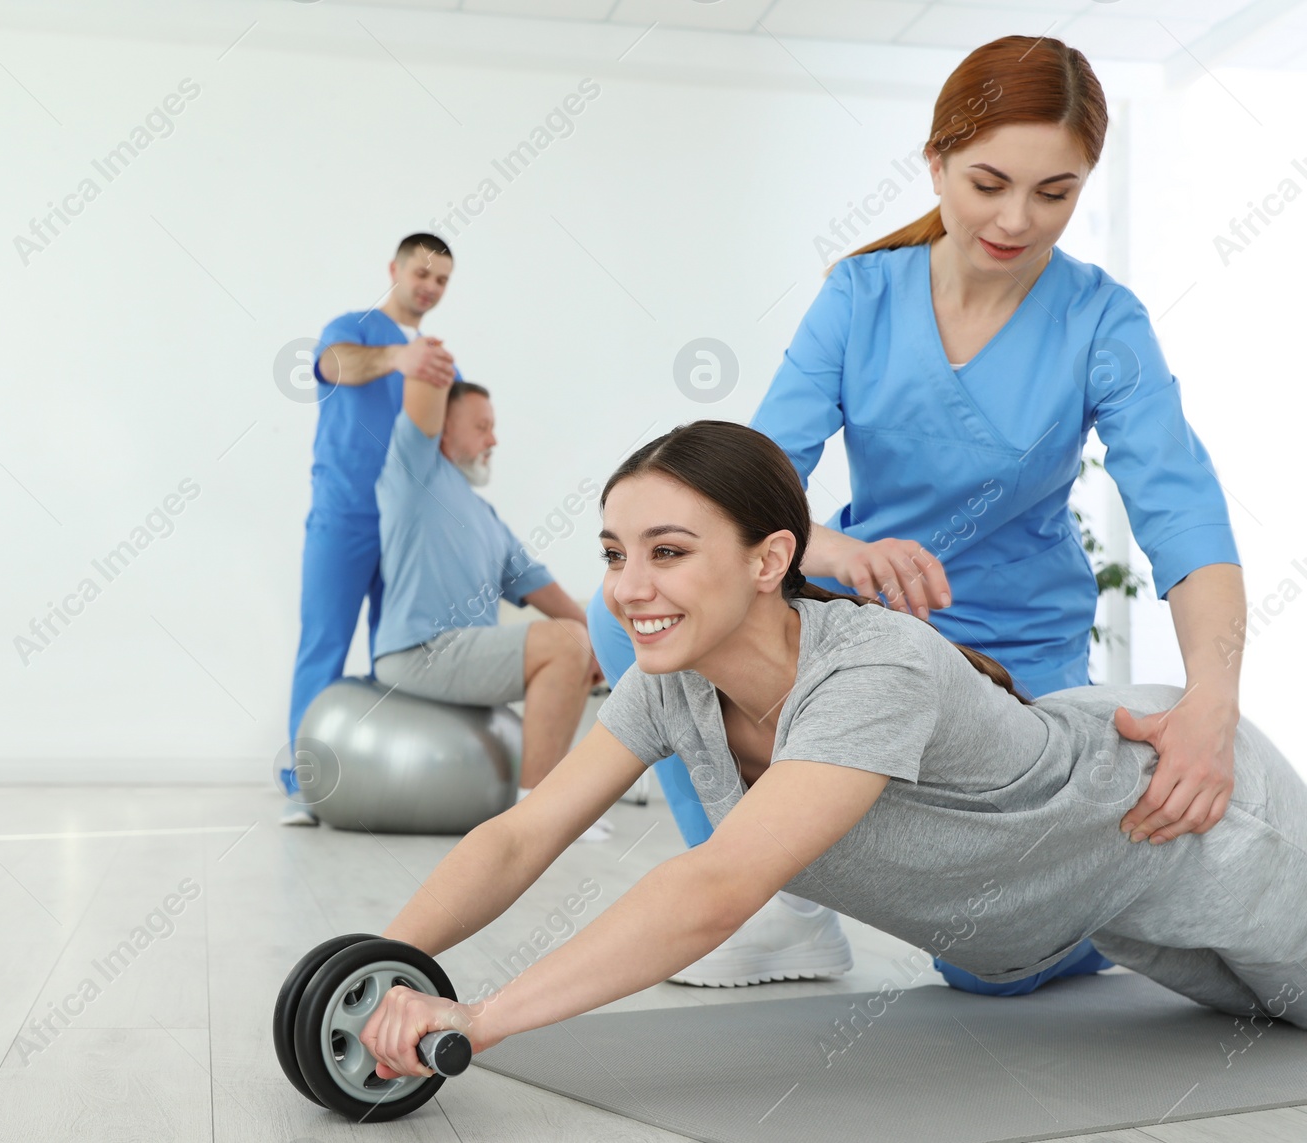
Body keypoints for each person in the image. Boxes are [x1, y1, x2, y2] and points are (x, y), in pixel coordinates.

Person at [585, 34, 1245, 993]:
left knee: (991, 971)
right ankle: (780, 900)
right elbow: (746, 491)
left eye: (1055, 193)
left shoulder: (1103, 320)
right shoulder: (860, 296)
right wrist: (839, 550)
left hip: (1016, 650)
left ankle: (1121, 896)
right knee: (633, 607)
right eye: (988, 182)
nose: (1017, 219)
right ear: (936, 161)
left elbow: (1184, 514)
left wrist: (1212, 702)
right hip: (860, 626)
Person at [358, 422, 1303, 1083]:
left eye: (669, 551)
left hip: (1188, 822)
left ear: (768, 561)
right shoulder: (671, 685)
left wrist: (479, 1022)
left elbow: (715, 888)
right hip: (1092, 905)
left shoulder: (870, 670)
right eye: (613, 553)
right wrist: (376, 962)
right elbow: (526, 835)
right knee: (1258, 1025)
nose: (627, 587)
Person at [371, 368, 612, 841]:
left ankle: (553, 802)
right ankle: (537, 815)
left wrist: (603, 645)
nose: (493, 438)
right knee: (566, 644)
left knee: (577, 638)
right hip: (418, 650)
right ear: (442, 430)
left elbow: (542, 588)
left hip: (461, 651)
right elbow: (420, 404)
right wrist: (424, 356)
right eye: (481, 426)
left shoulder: (485, 518)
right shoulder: (414, 473)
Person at [284, 233, 462, 825]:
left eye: (441, 280)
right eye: (421, 273)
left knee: (401, 653)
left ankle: (394, 774)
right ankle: (306, 786)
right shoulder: (353, 328)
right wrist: (397, 358)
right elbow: (333, 365)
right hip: (345, 512)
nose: (429, 287)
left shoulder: (438, 356)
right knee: (325, 642)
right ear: (394, 269)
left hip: (408, 524)